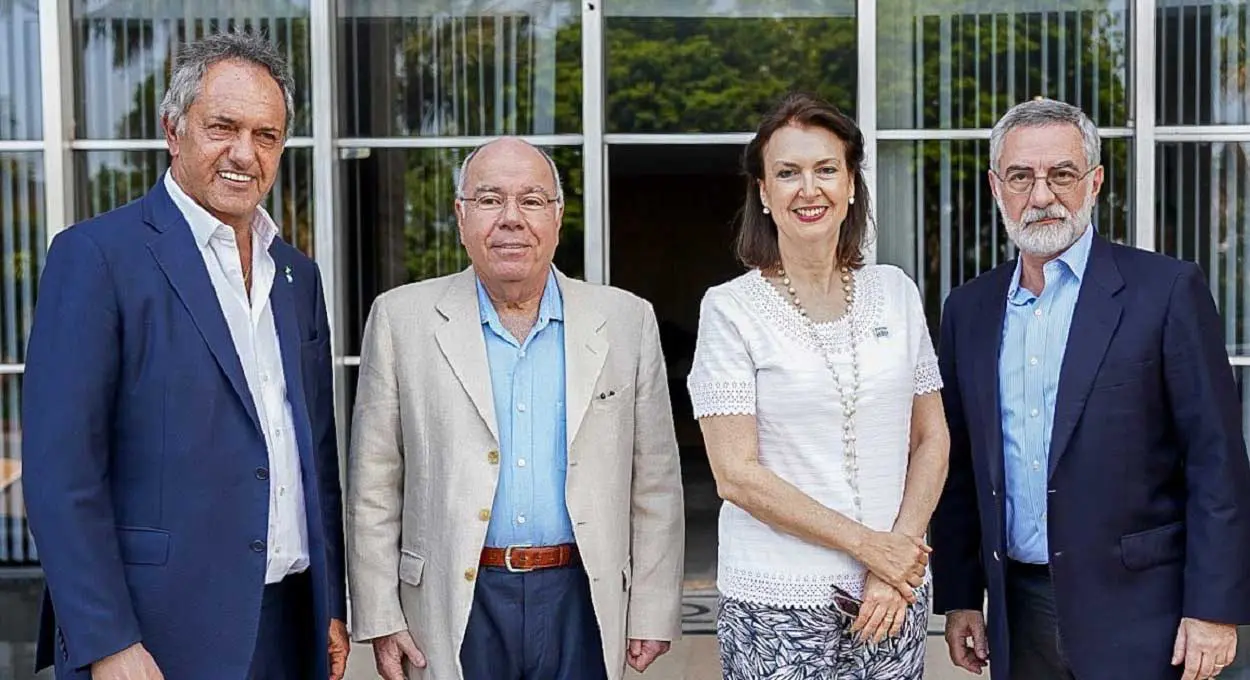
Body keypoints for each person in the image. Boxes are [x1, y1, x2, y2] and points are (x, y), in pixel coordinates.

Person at [21, 32, 348, 679]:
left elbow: (315, 454)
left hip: (289, 626)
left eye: (266, 135)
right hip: (157, 636)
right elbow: (62, 475)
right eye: (223, 127)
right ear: (173, 131)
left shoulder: (296, 275)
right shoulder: (96, 258)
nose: (244, 153)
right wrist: (106, 641)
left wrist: (328, 602)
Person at [931, 97, 1250, 680]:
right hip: (1018, 610)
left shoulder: (1166, 291)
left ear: (1095, 182)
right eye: (1021, 177)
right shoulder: (969, 309)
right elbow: (959, 467)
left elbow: (1216, 461)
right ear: (997, 187)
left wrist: (1213, 609)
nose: (1041, 195)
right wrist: (960, 596)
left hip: (1144, 613)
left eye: (1062, 174)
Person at [345, 137, 686, 680]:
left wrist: (652, 607)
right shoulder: (400, 319)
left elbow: (656, 485)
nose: (511, 218)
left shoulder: (626, 320)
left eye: (531, 200)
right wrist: (381, 615)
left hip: (582, 595)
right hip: (455, 597)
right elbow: (373, 485)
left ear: (557, 216)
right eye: (489, 200)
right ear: (461, 216)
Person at [686, 91, 950, 678]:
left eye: (826, 169)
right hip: (776, 603)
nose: (809, 189)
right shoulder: (730, 310)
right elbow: (736, 475)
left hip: (892, 595)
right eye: (788, 173)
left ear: (852, 183)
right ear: (763, 193)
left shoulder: (896, 292)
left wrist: (895, 558)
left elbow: (931, 438)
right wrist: (868, 546)